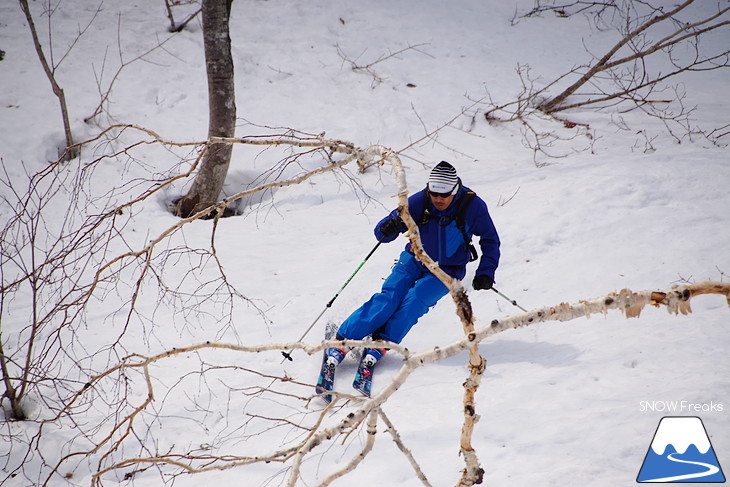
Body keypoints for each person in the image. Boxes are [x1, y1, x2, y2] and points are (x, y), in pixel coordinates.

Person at [327, 161, 501, 368]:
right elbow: (381, 232)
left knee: (415, 301)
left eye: (444, 195)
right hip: (414, 259)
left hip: (446, 270)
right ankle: (343, 339)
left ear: (455, 191)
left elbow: (490, 240)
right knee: (389, 298)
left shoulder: (472, 206)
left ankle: (383, 341)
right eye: (434, 194)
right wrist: (388, 227)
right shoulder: (421, 200)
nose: (438, 199)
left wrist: (486, 271)